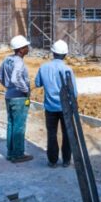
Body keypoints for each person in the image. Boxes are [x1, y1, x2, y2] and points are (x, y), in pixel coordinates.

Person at [35, 40, 77, 168]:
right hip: (65, 108)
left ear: (53, 53)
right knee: (67, 133)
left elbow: (37, 83)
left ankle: (52, 161)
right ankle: (66, 160)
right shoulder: (67, 69)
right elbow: (73, 92)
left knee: (51, 134)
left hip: (50, 107)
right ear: (65, 54)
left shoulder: (44, 67)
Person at [0, 35, 33, 163]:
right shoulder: (18, 61)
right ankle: (18, 154)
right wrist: (25, 90)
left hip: (9, 96)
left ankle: (11, 152)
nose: (28, 48)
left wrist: (8, 87)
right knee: (19, 126)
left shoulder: (7, 59)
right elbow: (15, 79)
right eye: (26, 47)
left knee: (11, 124)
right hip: (19, 98)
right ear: (21, 49)